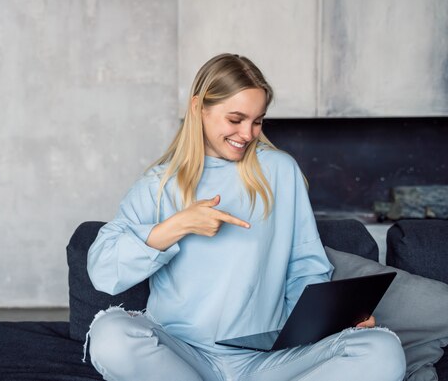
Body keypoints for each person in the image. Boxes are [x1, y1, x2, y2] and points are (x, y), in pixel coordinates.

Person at [85, 53, 406, 381]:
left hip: (268, 360)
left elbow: (305, 267)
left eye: (257, 120)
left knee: (380, 350)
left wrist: (331, 321)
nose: (248, 133)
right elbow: (103, 271)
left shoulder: (280, 171)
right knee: (110, 335)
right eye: (236, 119)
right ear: (198, 107)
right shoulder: (159, 184)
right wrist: (177, 226)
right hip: (181, 357)